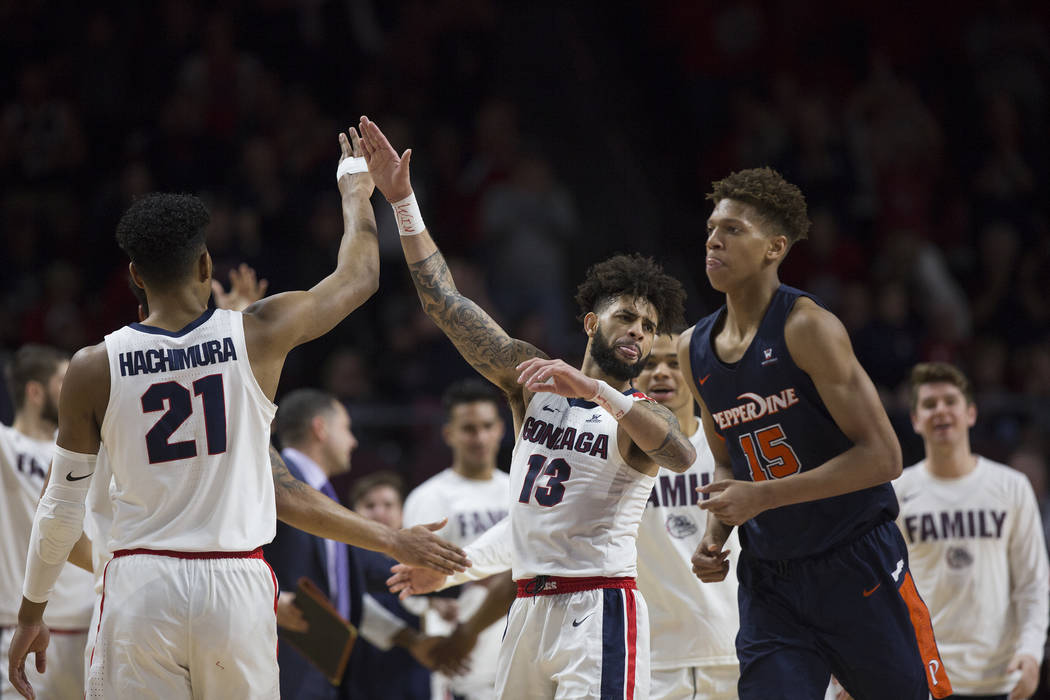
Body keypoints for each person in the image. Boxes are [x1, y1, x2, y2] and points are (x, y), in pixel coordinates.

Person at [6, 128, 461, 699]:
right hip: (235, 580)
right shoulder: (258, 333)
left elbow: (58, 509)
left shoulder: (92, 366)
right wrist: (355, 191)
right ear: (206, 264)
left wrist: (31, 612)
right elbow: (360, 277)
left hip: (141, 585)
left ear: (134, 277)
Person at [358, 115, 696, 699]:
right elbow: (446, 304)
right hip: (526, 605)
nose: (637, 333)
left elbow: (680, 452)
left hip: (600, 607)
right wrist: (404, 202)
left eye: (647, 326)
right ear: (591, 323)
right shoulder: (533, 383)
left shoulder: (636, 413)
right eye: (625, 318)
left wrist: (596, 392)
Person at [681, 167, 952, 700]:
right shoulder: (693, 348)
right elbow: (730, 462)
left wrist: (763, 497)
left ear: (773, 248)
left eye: (733, 229)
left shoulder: (807, 327)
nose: (714, 239)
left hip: (856, 561)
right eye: (713, 227)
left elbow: (884, 456)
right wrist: (715, 538)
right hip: (771, 579)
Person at [267, 389, 453, 700]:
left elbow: (365, 564)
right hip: (281, 658)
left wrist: (445, 571)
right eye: (346, 428)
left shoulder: (324, 496)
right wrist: (268, 599)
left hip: (324, 667)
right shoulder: (276, 482)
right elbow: (238, 548)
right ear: (320, 429)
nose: (353, 441)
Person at [894, 362, 1048, 700]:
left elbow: (1033, 582)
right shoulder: (897, 492)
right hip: (926, 674)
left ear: (972, 414)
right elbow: (883, 591)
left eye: (950, 401)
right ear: (916, 420)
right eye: (930, 405)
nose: (941, 411)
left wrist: (1032, 650)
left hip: (1001, 676)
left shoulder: (1011, 486)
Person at [634, 333, 740, 700]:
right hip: (651, 659)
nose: (660, 373)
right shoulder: (615, 459)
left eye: (674, 363)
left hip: (736, 649)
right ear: (632, 376)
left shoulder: (733, 451)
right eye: (648, 364)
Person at [401, 378, 512, 700]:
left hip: (519, 644)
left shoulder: (519, 491)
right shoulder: (429, 497)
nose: (479, 437)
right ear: (449, 433)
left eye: (487, 426)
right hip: (462, 655)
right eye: (468, 428)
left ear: (501, 429)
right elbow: (413, 587)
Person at [0, 346, 95, 699]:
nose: (74, 388)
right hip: (21, 625)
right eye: (63, 380)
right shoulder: (6, 445)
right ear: (35, 392)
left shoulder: (82, 446)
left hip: (93, 626)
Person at [351, 471, 433, 700]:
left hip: (413, 666)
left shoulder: (421, 562)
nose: (379, 512)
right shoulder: (346, 555)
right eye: (369, 505)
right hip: (362, 665)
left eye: (388, 504)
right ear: (354, 513)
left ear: (402, 512)